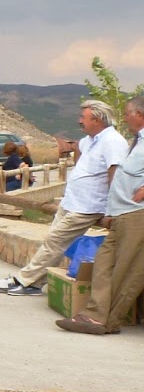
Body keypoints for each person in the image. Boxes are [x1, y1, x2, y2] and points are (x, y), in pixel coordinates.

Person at [0, 100, 128, 298]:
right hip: (73, 201)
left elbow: (114, 174)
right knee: (52, 242)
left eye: (83, 117)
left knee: (55, 241)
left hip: (88, 206)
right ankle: (34, 282)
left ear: (97, 120)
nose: (79, 121)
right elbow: (81, 159)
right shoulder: (89, 141)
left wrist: (111, 208)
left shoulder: (113, 141)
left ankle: (24, 280)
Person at [57, 96, 144, 336]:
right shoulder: (135, 142)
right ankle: (94, 316)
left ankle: (106, 320)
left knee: (129, 271)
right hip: (121, 212)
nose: (124, 118)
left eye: (128, 113)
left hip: (137, 214)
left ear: (140, 114)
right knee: (104, 263)